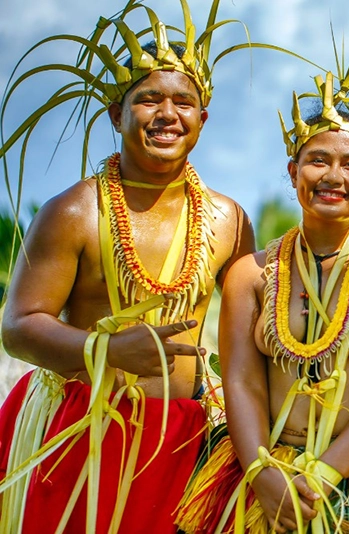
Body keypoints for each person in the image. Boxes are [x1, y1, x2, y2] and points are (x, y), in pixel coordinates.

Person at [0, 2, 262, 531]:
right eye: (148, 100)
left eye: (184, 102)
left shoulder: (228, 218)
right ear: (116, 115)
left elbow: (257, 318)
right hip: (81, 434)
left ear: (203, 118)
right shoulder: (74, 212)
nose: (168, 114)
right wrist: (107, 350)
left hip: (185, 441)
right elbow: (18, 326)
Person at [175, 29, 349, 534]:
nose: (333, 175)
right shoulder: (252, 272)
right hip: (264, 469)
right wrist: (261, 473)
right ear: (293, 172)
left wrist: (326, 474)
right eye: (318, 160)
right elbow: (241, 379)